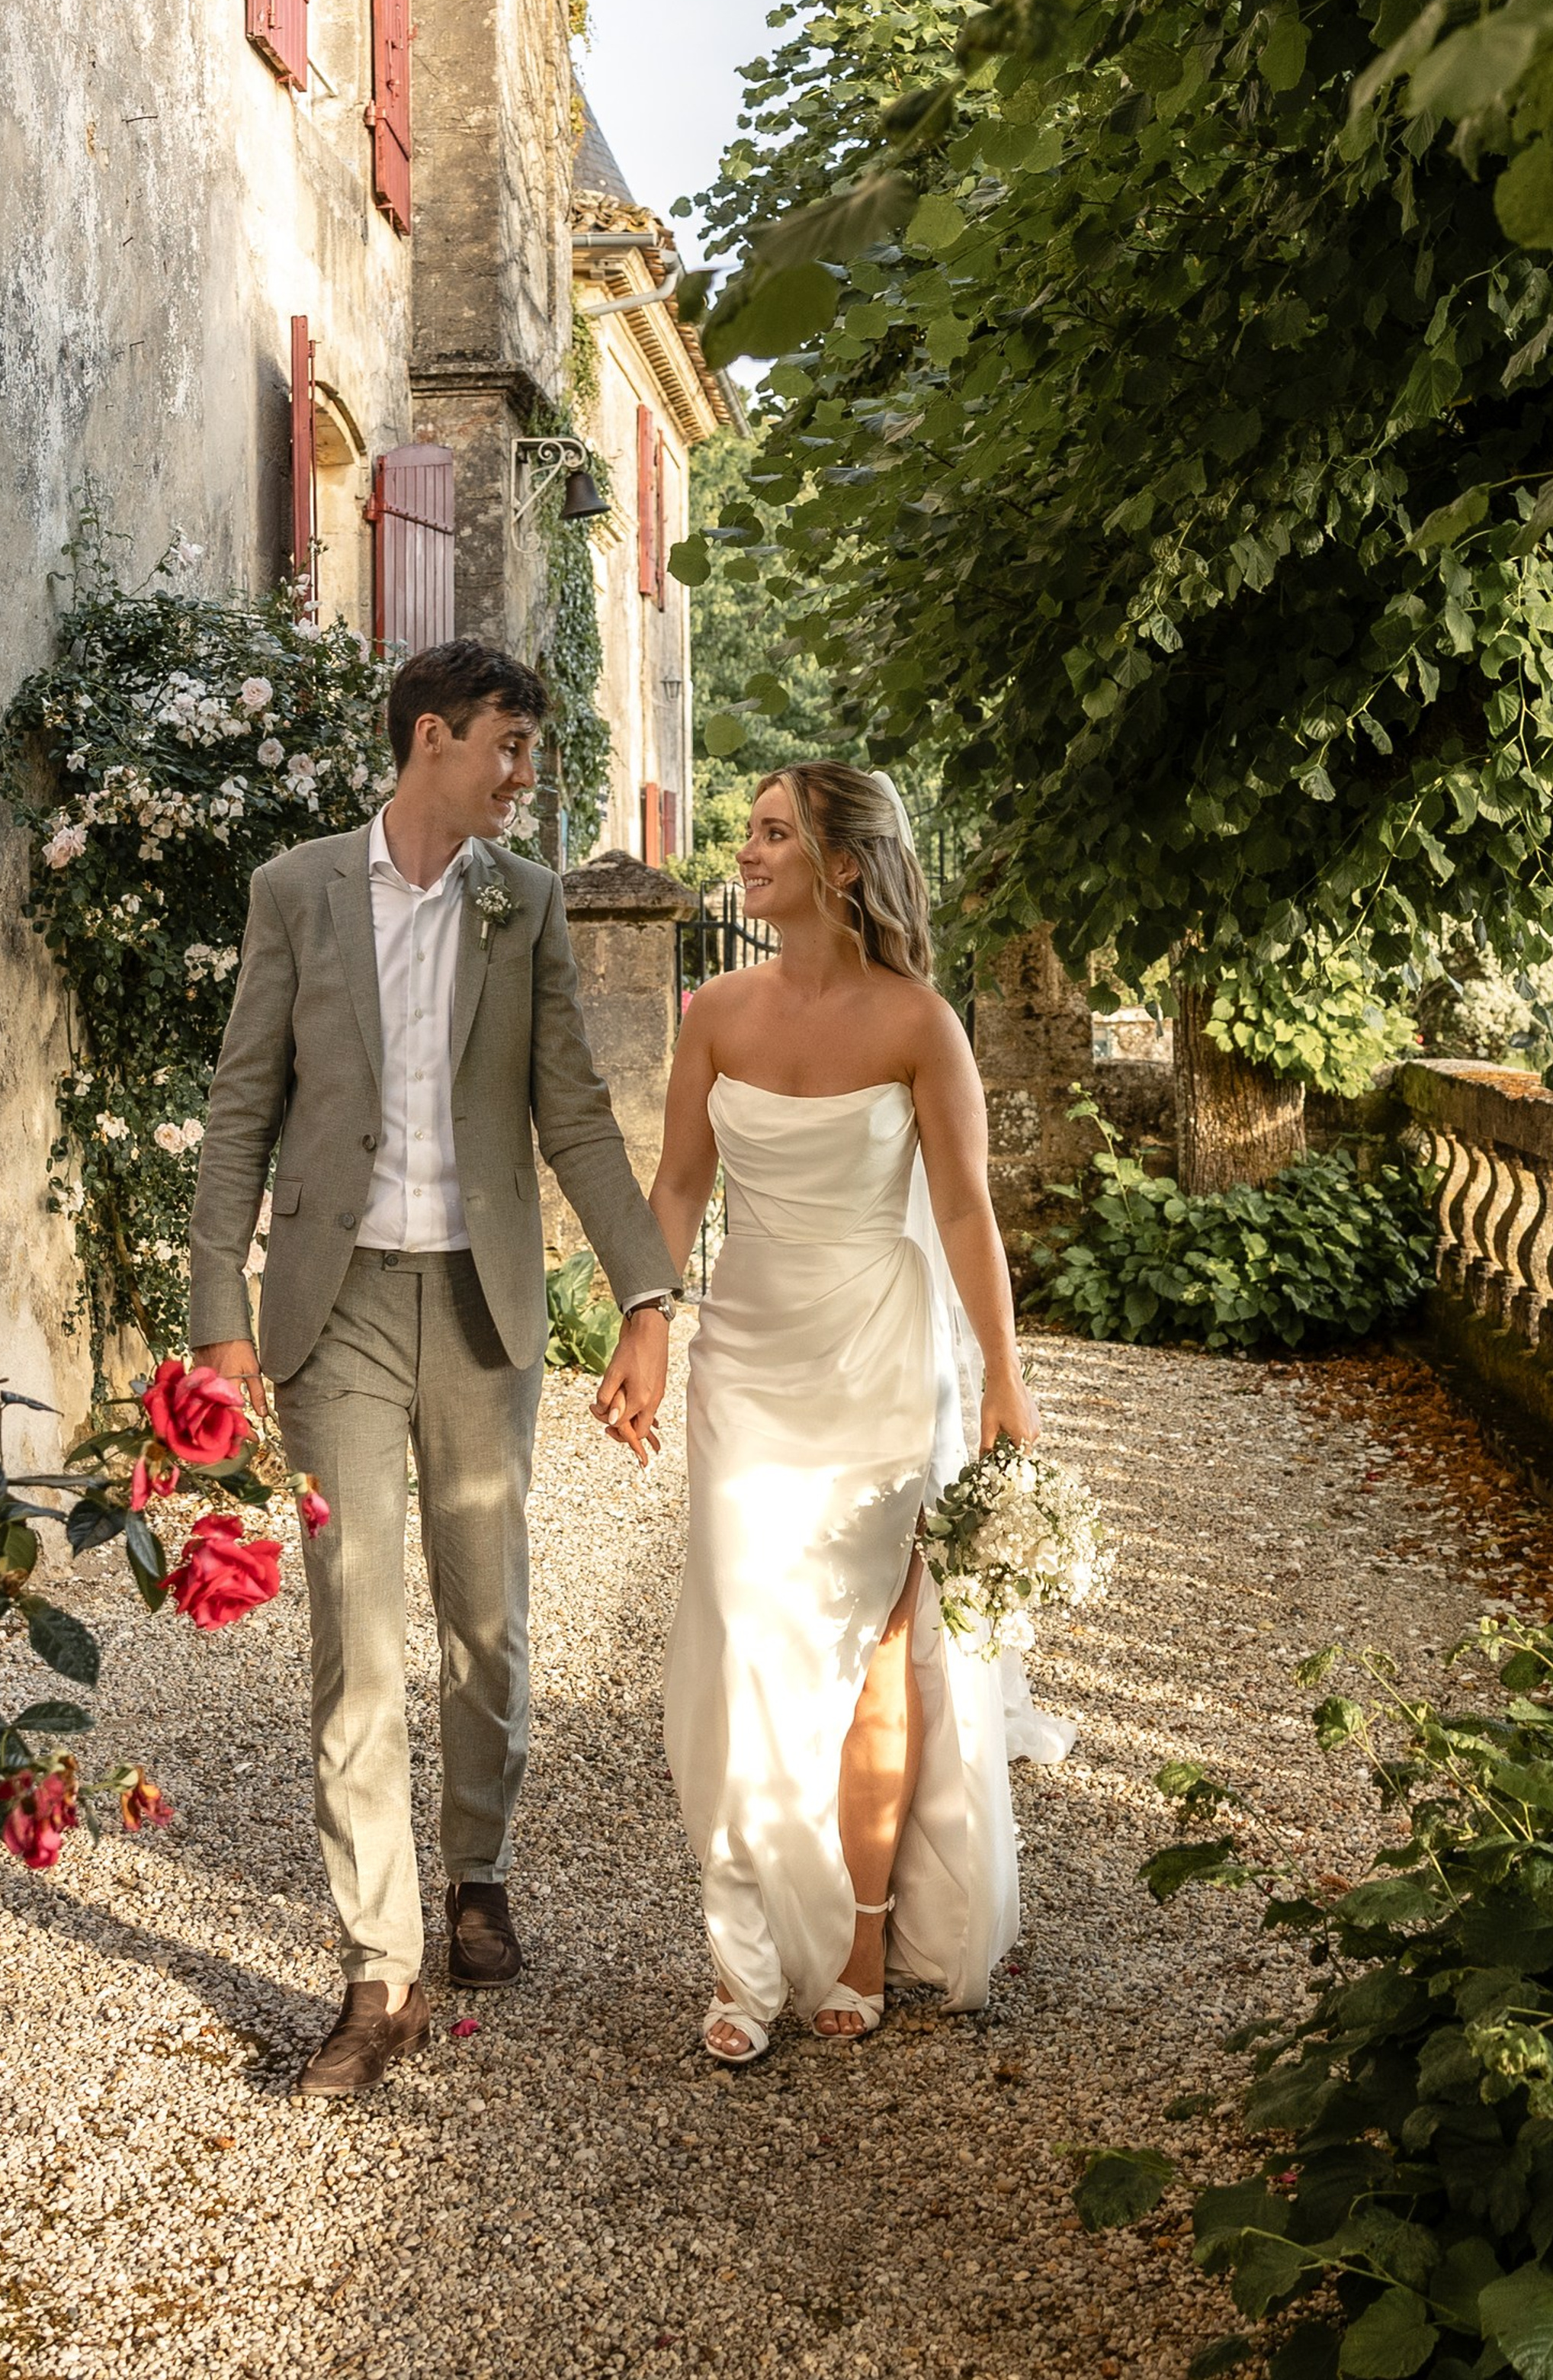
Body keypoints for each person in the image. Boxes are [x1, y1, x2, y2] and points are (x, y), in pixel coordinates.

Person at [188, 641, 681, 2099]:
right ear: (430, 740)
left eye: (528, 749)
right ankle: (377, 1968)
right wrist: (223, 1309)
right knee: (353, 1626)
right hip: (331, 1311)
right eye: (509, 746)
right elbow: (241, 1109)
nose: (525, 775)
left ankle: (480, 1866)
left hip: (480, 1309)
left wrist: (646, 1294)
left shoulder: (519, 905)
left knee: (487, 1620)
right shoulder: (296, 893)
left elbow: (576, 1116)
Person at [594, 763, 1036, 2061]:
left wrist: (1004, 1376)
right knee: (743, 1645)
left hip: (883, 1364)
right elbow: (676, 1185)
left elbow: (964, 1212)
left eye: (775, 833)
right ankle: (742, 1959)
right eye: (749, 832)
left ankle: (859, 1935)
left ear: (844, 865)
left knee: (876, 1668)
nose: (747, 851)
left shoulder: (920, 1026)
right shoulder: (714, 1012)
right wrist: (646, 1321)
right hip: (749, 1360)